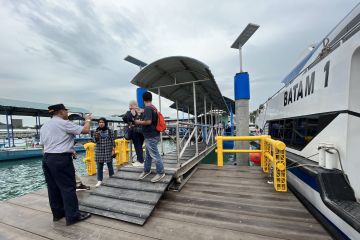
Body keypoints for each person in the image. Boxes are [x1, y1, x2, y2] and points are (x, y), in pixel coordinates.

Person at [40, 104, 91, 226]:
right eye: (66, 111)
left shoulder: (45, 125)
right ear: (61, 112)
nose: (67, 114)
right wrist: (88, 120)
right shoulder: (64, 123)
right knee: (68, 187)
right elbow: (85, 130)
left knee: (53, 188)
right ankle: (73, 216)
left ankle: (58, 214)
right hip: (60, 159)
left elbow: (43, 145)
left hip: (47, 158)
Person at [134, 92, 165, 183]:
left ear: (143, 99)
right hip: (154, 134)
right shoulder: (153, 108)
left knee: (155, 155)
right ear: (151, 98)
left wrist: (138, 122)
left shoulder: (148, 108)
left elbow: (148, 122)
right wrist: (140, 111)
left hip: (150, 136)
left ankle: (160, 172)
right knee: (148, 155)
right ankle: (147, 170)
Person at [94, 117, 115, 187]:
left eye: (102, 122)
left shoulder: (109, 131)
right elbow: (94, 141)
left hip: (108, 150)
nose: (101, 124)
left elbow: (112, 141)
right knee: (99, 166)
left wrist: (113, 150)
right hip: (99, 150)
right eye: (99, 122)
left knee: (110, 165)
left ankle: (112, 178)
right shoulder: (96, 130)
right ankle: (99, 180)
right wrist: (96, 137)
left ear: (105, 123)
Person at [123, 100, 144, 167]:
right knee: (140, 146)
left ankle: (140, 161)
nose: (129, 107)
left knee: (137, 147)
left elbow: (125, 119)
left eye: (130, 105)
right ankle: (140, 160)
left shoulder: (130, 112)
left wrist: (132, 115)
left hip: (135, 132)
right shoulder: (141, 111)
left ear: (132, 105)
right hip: (142, 132)